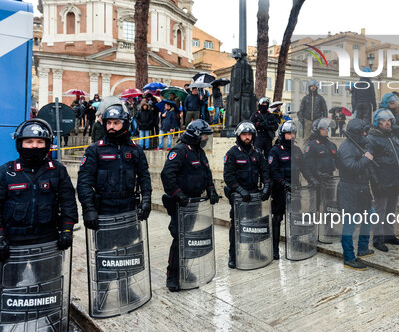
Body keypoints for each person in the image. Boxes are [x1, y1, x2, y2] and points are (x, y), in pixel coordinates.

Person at [0, 119, 78, 263]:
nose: (34, 146)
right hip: (13, 241)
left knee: (48, 284)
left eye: (40, 142)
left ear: (47, 144)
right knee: (13, 284)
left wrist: (67, 229)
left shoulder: (58, 170)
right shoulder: (6, 172)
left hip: (47, 239)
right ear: (20, 144)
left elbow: (68, 202)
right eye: (29, 142)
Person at [160, 120, 219, 291]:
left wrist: (211, 190)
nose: (206, 138)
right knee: (179, 239)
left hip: (193, 203)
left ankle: (184, 269)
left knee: (187, 239)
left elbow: (206, 172)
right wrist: (179, 195)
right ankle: (172, 276)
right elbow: (167, 175)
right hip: (179, 204)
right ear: (195, 135)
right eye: (204, 135)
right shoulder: (180, 151)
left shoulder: (199, 152)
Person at [77, 104, 152, 225]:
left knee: (130, 242)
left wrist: (147, 199)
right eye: (109, 123)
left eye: (116, 123)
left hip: (129, 206)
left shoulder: (135, 149)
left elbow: (144, 176)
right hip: (104, 207)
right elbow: (84, 181)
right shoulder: (95, 150)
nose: (111, 127)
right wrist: (88, 208)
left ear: (125, 124)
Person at [223, 121, 271, 268]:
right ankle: (233, 255)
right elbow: (228, 176)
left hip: (254, 195)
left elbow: (265, 172)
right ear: (239, 136)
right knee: (237, 225)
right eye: (244, 134)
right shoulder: (232, 153)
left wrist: (266, 186)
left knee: (255, 224)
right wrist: (239, 190)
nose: (247, 137)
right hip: (239, 196)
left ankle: (254, 251)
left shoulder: (257, 152)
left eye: (249, 134)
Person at [366, 109, 399, 252]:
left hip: (394, 181)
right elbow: (369, 164)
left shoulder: (393, 137)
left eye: (389, 121)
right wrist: (376, 182)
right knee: (380, 210)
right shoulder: (372, 139)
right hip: (382, 181)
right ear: (378, 122)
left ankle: (389, 235)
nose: (387, 123)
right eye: (384, 121)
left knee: (391, 209)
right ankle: (378, 239)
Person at [337, 118, 374, 270]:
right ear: (357, 133)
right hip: (349, 191)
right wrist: (366, 159)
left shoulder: (358, 144)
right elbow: (352, 168)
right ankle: (349, 257)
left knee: (370, 215)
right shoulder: (346, 148)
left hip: (361, 190)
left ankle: (363, 248)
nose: (366, 134)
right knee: (350, 225)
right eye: (364, 132)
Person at [268, 121, 306, 260]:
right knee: (277, 219)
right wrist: (283, 183)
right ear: (283, 135)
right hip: (280, 191)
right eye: (289, 133)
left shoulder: (297, 150)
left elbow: (304, 168)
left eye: (293, 133)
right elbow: (273, 171)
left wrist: (312, 179)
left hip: (295, 190)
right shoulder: (275, 151)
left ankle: (295, 243)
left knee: (295, 217)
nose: (292, 136)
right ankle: (275, 249)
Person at [303, 118, 338, 186]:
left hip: (329, 178)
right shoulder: (311, 145)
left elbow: (338, 161)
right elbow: (307, 164)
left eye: (327, 128)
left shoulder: (331, 145)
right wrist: (316, 174)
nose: (326, 130)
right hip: (317, 180)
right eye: (323, 129)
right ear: (317, 130)